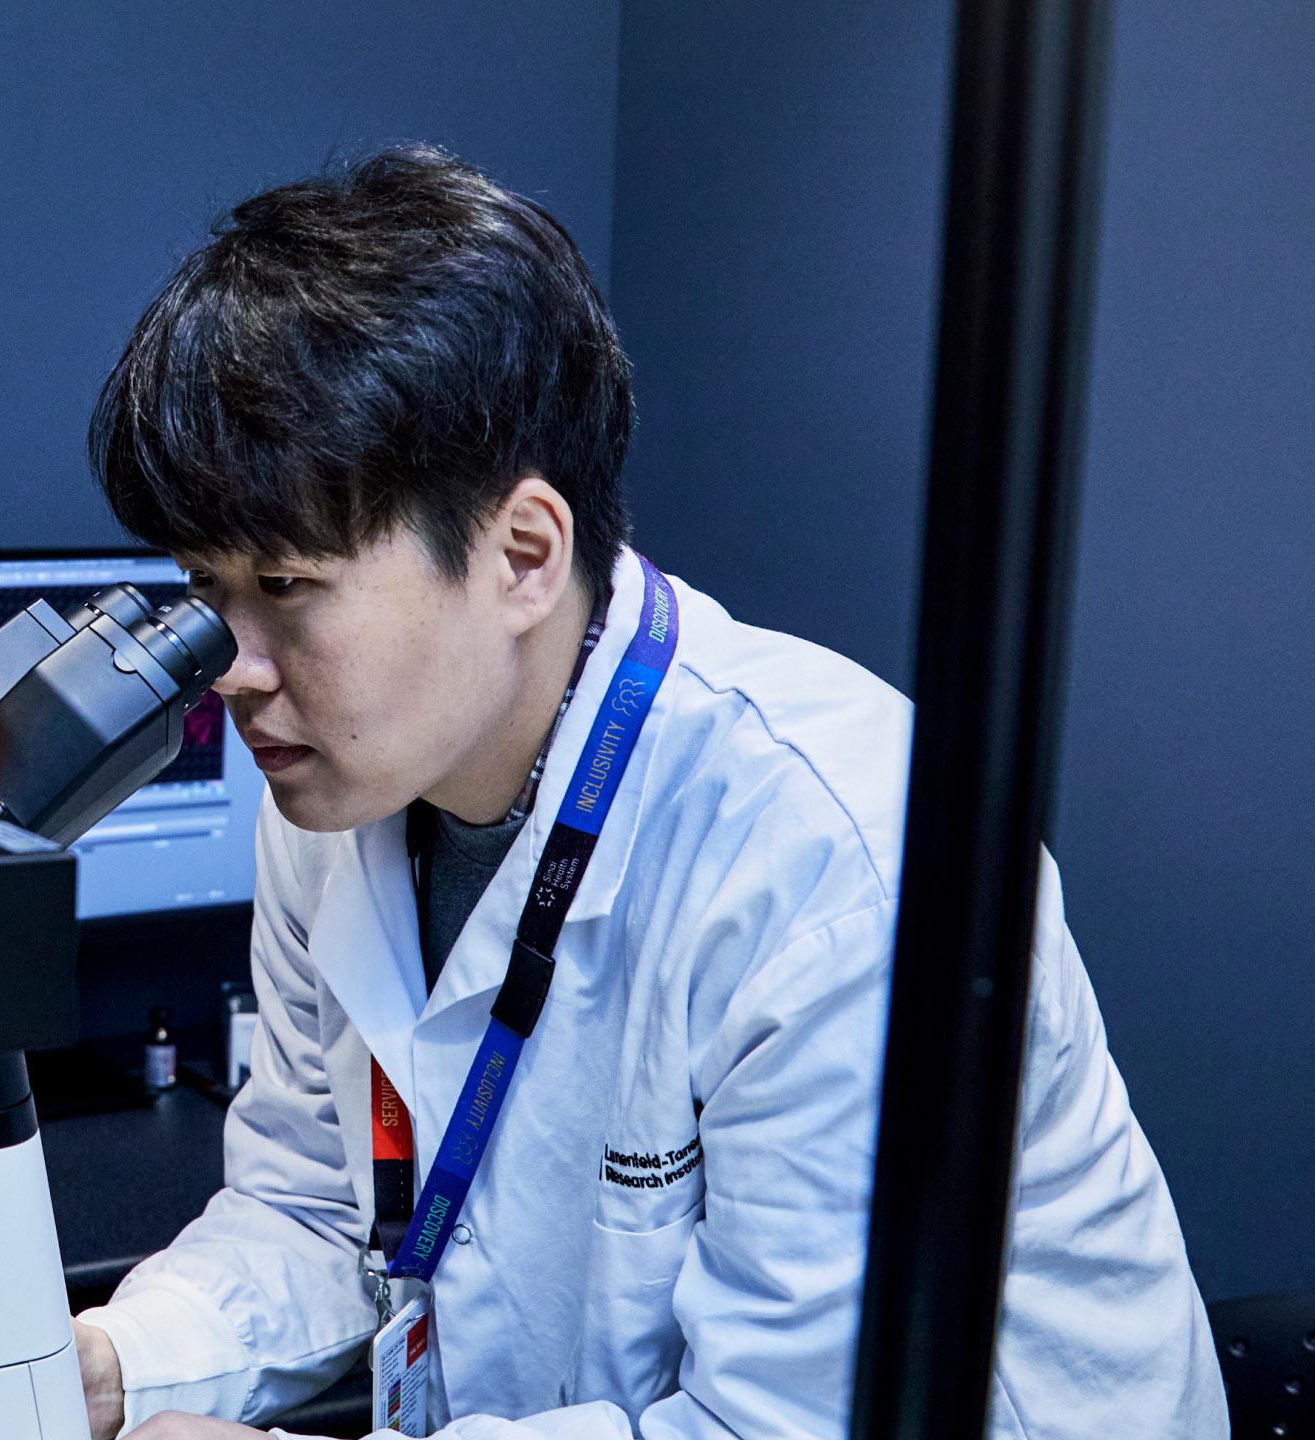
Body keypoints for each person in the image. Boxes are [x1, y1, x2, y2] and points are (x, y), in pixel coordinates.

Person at [69, 145, 1223, 1439]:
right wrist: (104, 1366)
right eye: (206, 593)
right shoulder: (335, 793)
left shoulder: (836, 853)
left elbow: (784, 1427)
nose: (230, 667)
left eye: (283, 590)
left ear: (519, 554)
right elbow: (319, 1210)